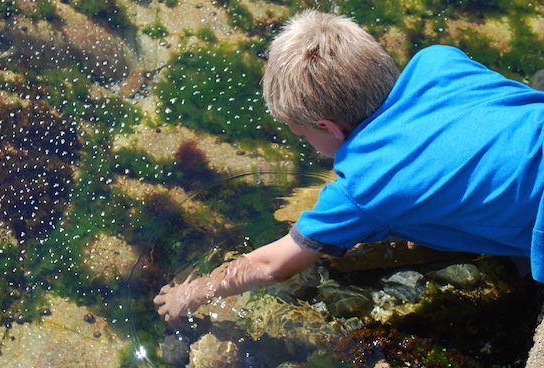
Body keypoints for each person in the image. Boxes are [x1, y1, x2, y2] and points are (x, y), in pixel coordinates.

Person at [154, 10, 544, 322]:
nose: (307, 146)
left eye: (303, 135)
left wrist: (193, 292)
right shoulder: (440, 59)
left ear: (327, 126)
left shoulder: (364, 188)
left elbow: (272, 265)